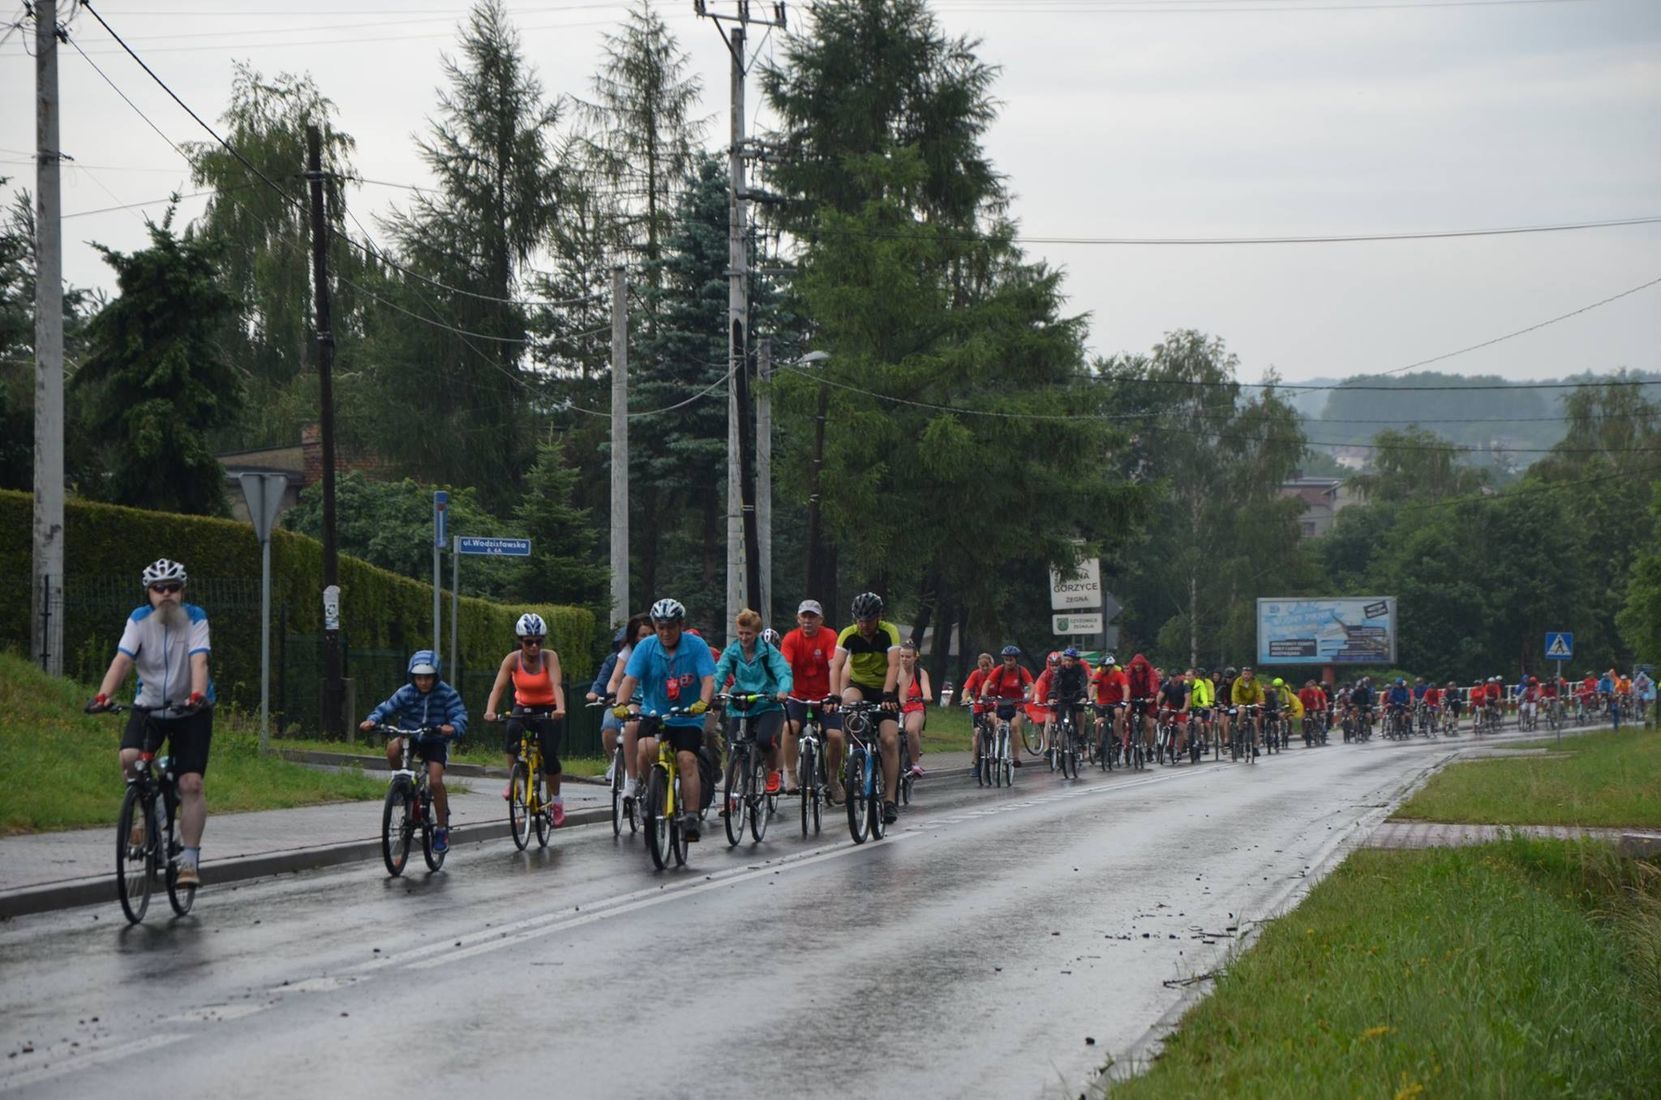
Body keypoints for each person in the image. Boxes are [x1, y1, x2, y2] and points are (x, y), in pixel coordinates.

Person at [87, 558, 215, 888]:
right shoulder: (138, 620)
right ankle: (148, 814)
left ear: (182, 591)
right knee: (129, 758)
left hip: (191, 710)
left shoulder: (196, 618)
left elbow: (199, 660)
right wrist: (103, 696)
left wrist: (197, 694)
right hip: (150, 706)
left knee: (190, 783)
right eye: (159, 588)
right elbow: (122, 661)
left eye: (173, 587)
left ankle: (188, 861)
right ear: (149, 593)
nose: (166, 593)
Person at [613, 598, 716, 841]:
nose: (665, 632)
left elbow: (708, 680)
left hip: (687, 717)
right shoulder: (646, 647)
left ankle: (691, 816)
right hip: (655, 713)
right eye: (660, 627)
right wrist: (621, 704)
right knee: (645, 748)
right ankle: (653, 792)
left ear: (681, 625)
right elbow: (629, 680)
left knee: (686, 759)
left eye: (670, 627)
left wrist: (703, 702)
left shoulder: (696, 646)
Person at [360, 650, 468, 854]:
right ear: (412, 677)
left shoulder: (446, 694)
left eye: (428, 678)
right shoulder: (406, 692)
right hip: (410, 735)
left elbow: (459, 715)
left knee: (435, 781)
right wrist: (372, 720)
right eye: (419, 678)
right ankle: (403, 786)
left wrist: (453, 727)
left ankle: (441, 829)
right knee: (393, 748)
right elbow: (387, 708)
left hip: (435, 739)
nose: (423, 682)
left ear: (436, 677)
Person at [483, 612, 568, 826]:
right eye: (529, 642)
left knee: (549, 754)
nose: (534, 647)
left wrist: (560, 708)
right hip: (524, 705)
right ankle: (515, 783)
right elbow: (498, 687)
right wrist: (490, 711)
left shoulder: (549, 657)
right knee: (512, 735)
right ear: (520, 641)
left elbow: (556, 685)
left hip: (549, 708)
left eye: (538, 641)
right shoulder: (512, 660)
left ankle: (557, 800)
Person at [829, 592, 904, 824]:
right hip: (860, 685)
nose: (864, 625)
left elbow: (894, 665)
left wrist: (888, 694)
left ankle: (889, 799)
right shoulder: (848, 634)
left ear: (879, 617)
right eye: (860, 620)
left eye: (869, 620)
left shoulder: (889, 632)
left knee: (889, 740)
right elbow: (836, 666)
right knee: (848, 700)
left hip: (884, 688)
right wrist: (834, 695)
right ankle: (855, 754)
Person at [713, 608, 792, 801]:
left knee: (764, 740)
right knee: (734, 746)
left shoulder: (768, 652)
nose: (743, 637)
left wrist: (783, 690)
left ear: (756, 633)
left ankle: (773, 772)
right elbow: (719, 674)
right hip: (741, 704)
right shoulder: (732, 652)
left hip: (767, 703)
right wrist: (711, 693)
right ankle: (732, 795)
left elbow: (783, 672)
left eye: (748, 633)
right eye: (740, 633)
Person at [780, 600, 843, 798]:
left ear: (820, 619)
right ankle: (791, 775)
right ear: (798, 619)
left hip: (825, 697)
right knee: (789, 727)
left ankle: (833, 778)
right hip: (799, 696)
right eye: (804, 616)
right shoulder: (791, 638)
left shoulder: (829, 636)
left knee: (835, 736)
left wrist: (835, 695)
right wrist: (783, 689)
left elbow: (834, 665)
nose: (808, 620)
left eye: (812, 617)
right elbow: (785, 667)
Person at [979, 646, 1035, 767]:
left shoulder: (1021, 671)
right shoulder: (1000, 670)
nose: (1009, 662)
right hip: (1002, 702)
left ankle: (1016, 757)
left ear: (1016, 659)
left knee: (1014, 726)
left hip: (1017, 703)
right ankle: (995, 751)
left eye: (1011, 660)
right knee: (998, 725)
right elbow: (987, 683)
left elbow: (1031, 686)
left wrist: (1029, 697)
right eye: (1006, 660)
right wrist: (983, 694)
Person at [897, 640, 932, 779]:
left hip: (915, 707)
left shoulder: (920, 673)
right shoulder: (894, 671)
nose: (904, 659)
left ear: (915, 657)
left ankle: (915, 763)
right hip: (897, 709)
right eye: (901, 656)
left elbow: (927, 693)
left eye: (908, 657)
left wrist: (925, 697)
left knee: (911, 729)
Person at [1091, 655, 1130, 760]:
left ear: (1110, 667)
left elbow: (1125, 688)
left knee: (1118, 713)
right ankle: (1098, 745)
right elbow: (1093, 687)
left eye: (1103, 666)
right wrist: (1090, 699)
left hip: (1116, 702)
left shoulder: (1119, 675)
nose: (1101, 668)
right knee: (1098, 723)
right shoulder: (1099, 674)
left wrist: (1125, 701)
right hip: (1102, 703)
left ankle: (1117, 737)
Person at [1126, 653, 1160, 757]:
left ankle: (1149, 748)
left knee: (1149, 725)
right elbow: (1126, 685)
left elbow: (1153, 683)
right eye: (1136, 664)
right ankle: (1128, 731)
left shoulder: (1150, 672)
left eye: (1140, 664)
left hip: (1146, 700)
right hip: (1133, 699)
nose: (1138, 667)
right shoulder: (1129, 673)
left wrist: (1152, 696)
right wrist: (1126, 698)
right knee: (1127, 713)